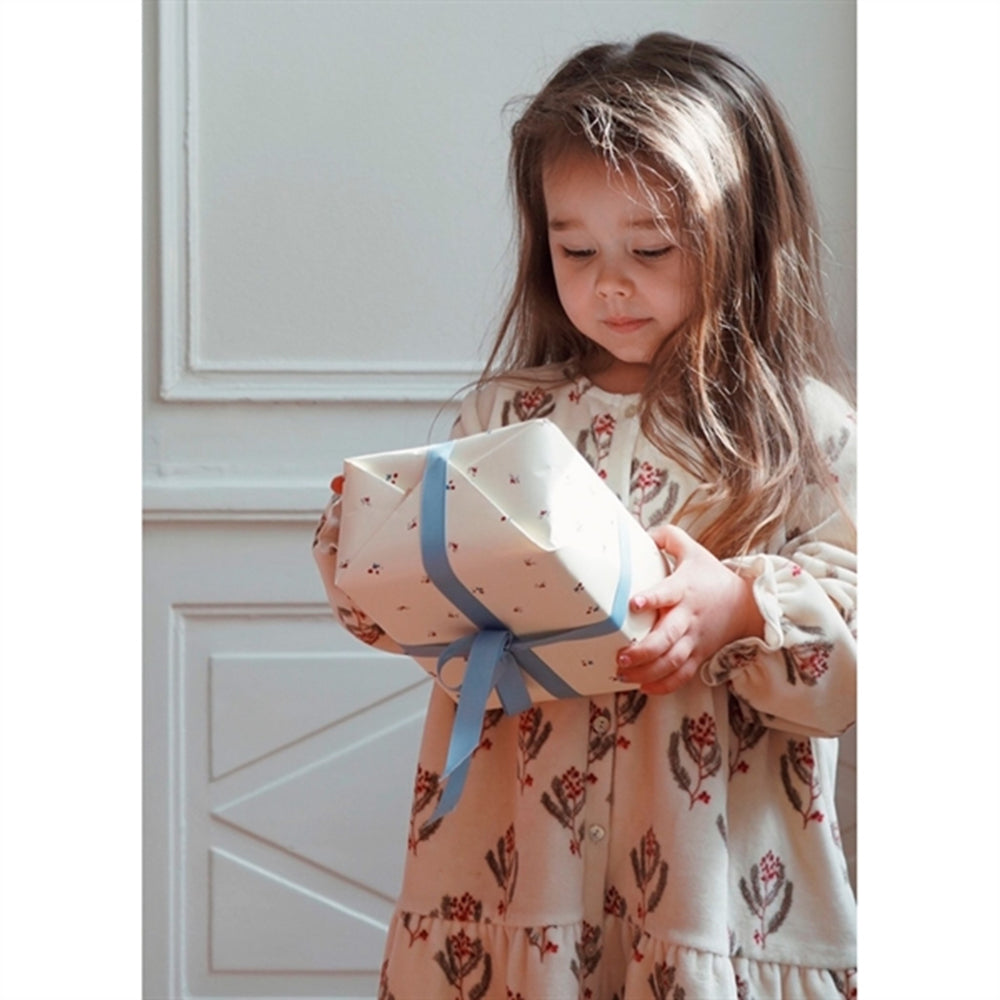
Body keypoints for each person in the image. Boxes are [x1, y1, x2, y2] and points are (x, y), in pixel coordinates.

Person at [314, 31, 856, 999]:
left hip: (712, 905)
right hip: (518, 888)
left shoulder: (801, 437)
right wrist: (378, 540)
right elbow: (409, 618)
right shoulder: (506, 421)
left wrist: (738, 608)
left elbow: (857, 662)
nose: (609, 282)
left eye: (650, 249)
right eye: (576, 249)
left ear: (739, 234)